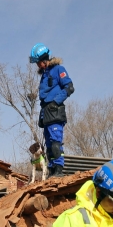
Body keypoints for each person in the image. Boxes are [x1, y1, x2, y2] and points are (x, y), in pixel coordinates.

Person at [30, 43, 74, 178]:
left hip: (55, 111)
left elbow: (69, 87)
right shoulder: (44, 75)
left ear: (44, 59)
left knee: (56, 142)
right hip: (46, 112)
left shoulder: (58, 69)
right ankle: (52, 171)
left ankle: (59, 169)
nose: (37, 65)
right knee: (48, 145)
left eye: (38, 62)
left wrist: (56, 102)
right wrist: (42, 115)